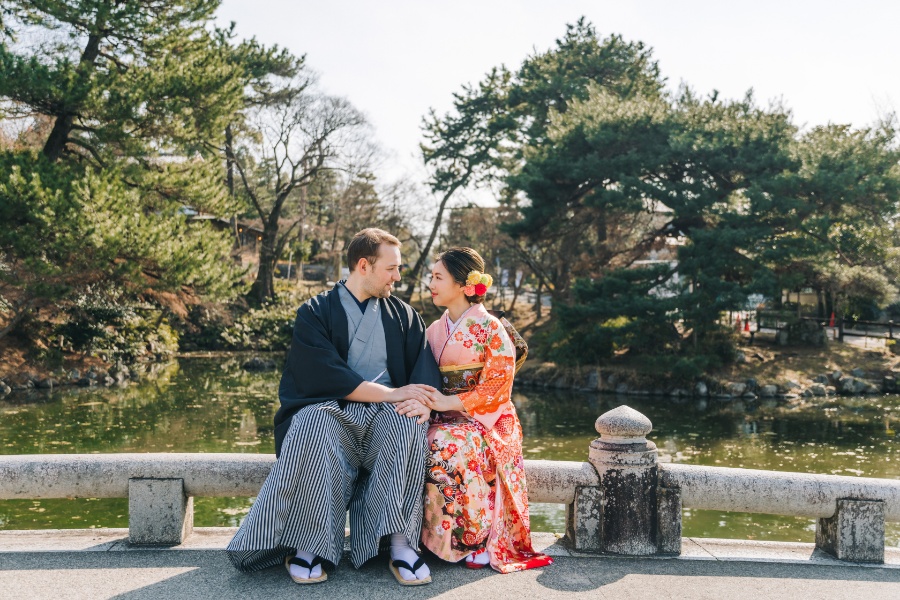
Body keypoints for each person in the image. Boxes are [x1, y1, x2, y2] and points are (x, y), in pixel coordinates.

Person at [227, 228, 441, 586]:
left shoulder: (403, 315)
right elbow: (319, 374)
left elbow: (422, 374)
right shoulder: (315, 312)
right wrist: (392, 394)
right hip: (332, 410)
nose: (398, 276)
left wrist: (420, 403)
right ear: (363, 265)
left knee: (409, 423)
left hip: (387, 417)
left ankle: (399, 543)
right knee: (311, 423)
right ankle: (308, 544)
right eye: (392, 268)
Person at [396, 247, 552, 573]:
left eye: (438, 277)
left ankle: (476, 539)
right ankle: (428, 540)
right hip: (444, 413)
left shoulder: (491, 328)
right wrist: (427, 404)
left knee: (449, 446)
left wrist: (452, 403)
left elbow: (497, 385)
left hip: (488, 418)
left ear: (463, 283)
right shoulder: (434, 330)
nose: (431, 283)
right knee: (410, 438)